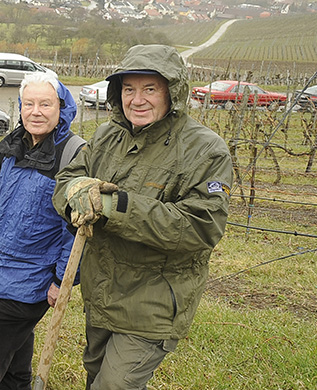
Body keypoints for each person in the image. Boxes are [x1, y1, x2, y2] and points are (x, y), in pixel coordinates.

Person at [52, 44, 232, 389]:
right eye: (129, 89)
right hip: (102, 291)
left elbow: (201, 226)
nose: (138, 99)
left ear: (173, 93)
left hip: (153, 302)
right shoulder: (107, 136)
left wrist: (113, 207)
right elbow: (66, 182)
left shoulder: (204, 149)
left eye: (150, 89)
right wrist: (75, 195)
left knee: (114, 384)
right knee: (97, 374)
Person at [0, 72, 84, 389]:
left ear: (61, 108)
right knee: (13, 370)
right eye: (29, 104)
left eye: (45, 104)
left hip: (35, 280)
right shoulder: (12, 150)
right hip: (3, 273)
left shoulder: (72, 156)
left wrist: (61, 280)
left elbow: (76, 230)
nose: (35, 111)